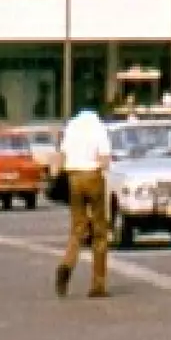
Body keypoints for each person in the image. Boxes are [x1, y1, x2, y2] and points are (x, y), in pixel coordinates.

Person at [54, 107, 112, 299]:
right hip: (92, 176)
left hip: (74, 178)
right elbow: (104, 159)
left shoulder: (72, 127)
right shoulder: (98, 128)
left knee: (77, 229)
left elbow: (61, 156)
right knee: (99, 232)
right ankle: (98, 283)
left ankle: (66, 265)